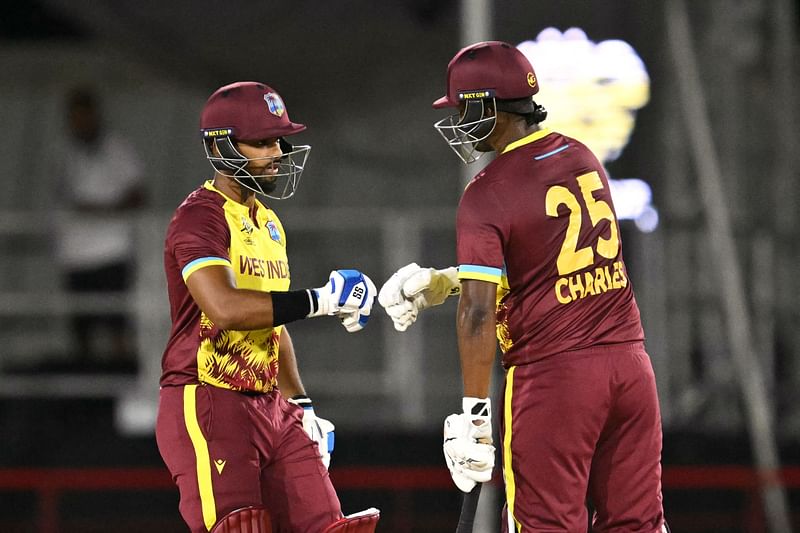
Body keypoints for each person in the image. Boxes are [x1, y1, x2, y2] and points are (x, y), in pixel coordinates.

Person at [379, 42, 667, 532]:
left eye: (466, 108)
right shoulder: (581, 155)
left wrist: (473, 414)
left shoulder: (487, 192)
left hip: (556, 378)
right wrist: (446, 281)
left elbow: (477, 313)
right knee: (637, 525)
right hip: (630, 369)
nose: (460, 122)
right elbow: (546, 260)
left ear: (491, 107)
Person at [156, 81, 379, 533]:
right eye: (260, 142)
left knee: (331, 527)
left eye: (277, 139)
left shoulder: (268, 222)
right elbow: (225, 307)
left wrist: (302, 403)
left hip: (271, 404)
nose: (276, 151)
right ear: (222, 147)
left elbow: (270, 324)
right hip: (209, 400)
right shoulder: (201, 216)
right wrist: (320, 300)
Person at [55, 87, 146, 369]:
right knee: (82, 330)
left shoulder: (117, 149)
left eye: (84, 116)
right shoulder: (63, 153)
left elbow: (138, 194)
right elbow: (61, 198)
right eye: (74, 118)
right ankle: (88, 398)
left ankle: (119, 388)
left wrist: (101, 211)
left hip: (112, 251)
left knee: (117, 326)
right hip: (75, 256)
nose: (79, 123)